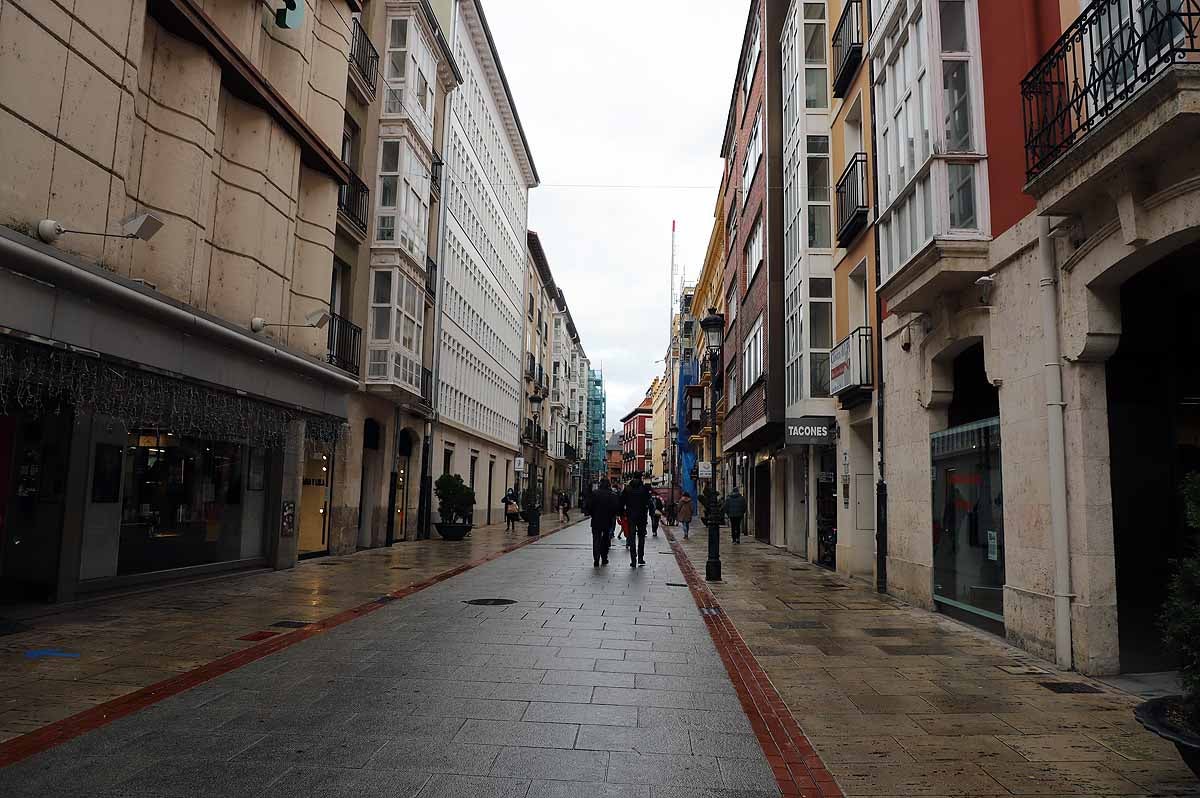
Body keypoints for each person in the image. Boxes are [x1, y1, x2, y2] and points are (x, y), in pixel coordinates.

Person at [620, 474, 652, 566]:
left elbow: (622, 502)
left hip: (631, 516)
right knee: (641, 537)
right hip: (642, 516)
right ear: (641, 478)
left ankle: (633, 559)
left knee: (632, 537)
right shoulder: (644, 489)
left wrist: (622, 514)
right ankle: (641, 558)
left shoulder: (628, 489)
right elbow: (649, 502)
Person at [589, 479, 620, 566]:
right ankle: (604, 557)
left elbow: (589, 507)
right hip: (607, 520)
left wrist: (593, 514)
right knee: (606, 539)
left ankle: (596, 558)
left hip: (596, 520)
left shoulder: (595, 494)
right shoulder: (612, 495)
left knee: (596, 539)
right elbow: (615, 508)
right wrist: (611, 516)